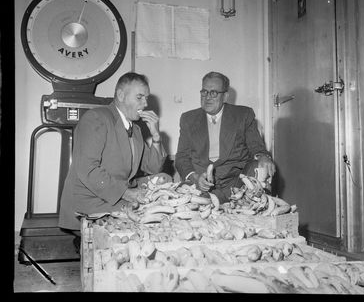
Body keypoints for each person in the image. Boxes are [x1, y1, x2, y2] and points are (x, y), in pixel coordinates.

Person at [59, 72, 170, 238]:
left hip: (115, 196)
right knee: (154, 223)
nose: (145, 104)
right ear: (120, 95)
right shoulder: (96, 118)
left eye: (146, 98)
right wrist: (127, 193)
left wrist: (156, 136)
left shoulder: (136, 129)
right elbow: (88, 169)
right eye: (139, 97)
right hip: (92, 201)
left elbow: (153, 167)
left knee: (165, 181)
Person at [175, 71, 276, 204]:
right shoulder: (188, 119)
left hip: (236, 183)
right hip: (200, 184)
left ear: (225, 96)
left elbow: (256, 147)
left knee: (261, 166)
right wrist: (195, 178)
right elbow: (181, 158)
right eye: (204, 92)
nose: (207, 97)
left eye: (214, 93)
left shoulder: (243, 115)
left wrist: (264, 157)